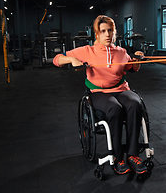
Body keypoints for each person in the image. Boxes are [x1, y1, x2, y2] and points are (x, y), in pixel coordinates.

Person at [53, 15, 147, 175]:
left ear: (114, 32)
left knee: (134, 103)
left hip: (121, 89)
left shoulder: (121, 52)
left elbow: (133, 68)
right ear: (97, 34)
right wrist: (71, 59)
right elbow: (57, 59)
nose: (107, 34)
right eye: (103, 31)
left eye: (110, 30)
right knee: (115, 109)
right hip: (99, 93)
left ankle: (132, 155)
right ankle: (118, 158)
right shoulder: (86, 51)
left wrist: (137, 59)